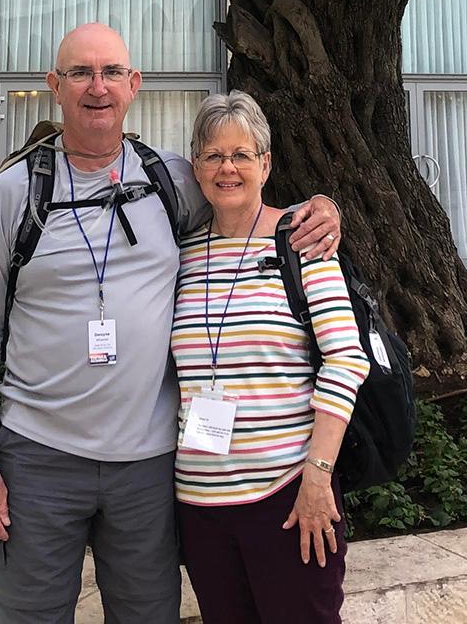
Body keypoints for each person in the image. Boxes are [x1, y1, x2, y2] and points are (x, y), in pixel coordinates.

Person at [0, 23, 342, 624]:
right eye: (80, 73)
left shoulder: (169, 179)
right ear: (55, 86)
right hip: (37, 458)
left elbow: (239, 199)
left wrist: (320, 209)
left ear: (134, 84)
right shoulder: (15, 192)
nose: (98, 87)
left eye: (112, 72)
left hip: (148, 468)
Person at [172, 91, 369, 624]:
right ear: (195, 166)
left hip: (288, 497)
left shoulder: (302, 244)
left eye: (241, 154)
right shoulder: (180, 254)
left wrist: (318, 477)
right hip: (200, 505)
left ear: (265, 164)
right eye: (214, 155)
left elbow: (346, 360)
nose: (227, 168)